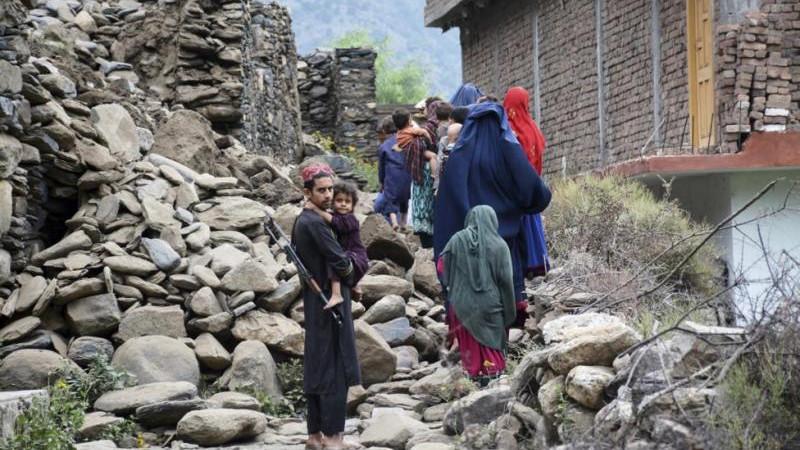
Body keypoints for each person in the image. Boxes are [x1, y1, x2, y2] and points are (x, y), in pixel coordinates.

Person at [434, 102, 551, 324]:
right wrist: (521, 206)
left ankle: (475, 340)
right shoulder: (509, 153)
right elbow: (535, 192)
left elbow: (446, 205)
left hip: (471, 242)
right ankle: (502, 343)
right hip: (505, 241)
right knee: (505, 293)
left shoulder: (459, 156)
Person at [292, 163, 360, 450]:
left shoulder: (301, 221)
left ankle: (314, 435)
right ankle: (333, 438)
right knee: (335, 368)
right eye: (322, 191)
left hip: (314, 302)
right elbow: (342, 264)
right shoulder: (317, 223)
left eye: (331, 189)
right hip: (331, 306)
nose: (329, 195)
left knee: (318, 366)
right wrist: (353, 272)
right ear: (307, 192)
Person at [439, 205, 516, 386]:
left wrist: (455, 283)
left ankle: (473, 377)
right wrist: (509, 313)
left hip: (461, 305)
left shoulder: (456, 239)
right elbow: (506, 282)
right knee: (492, 345)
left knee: (470, 346)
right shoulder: (499, 245)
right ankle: (493, 377)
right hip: (489, 306)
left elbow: (442, 266)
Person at [503, 86, 550, 277]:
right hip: (533, 185)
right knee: (532, 222)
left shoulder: (507, 129)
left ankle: (519, 267)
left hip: (514, 188)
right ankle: (536, 263)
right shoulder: (533, 129)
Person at [305, 181, 369, 308]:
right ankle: (355, 286)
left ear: (353, 205)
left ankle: (336, 294)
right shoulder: (334, 215)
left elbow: (336, 223)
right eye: (339, 200)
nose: (343, 204)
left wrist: (315, 209)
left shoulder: (350, 219)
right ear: (333, 202)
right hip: (352, 256)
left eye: (348, 201)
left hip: (357, 257)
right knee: (338, 256)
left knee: (335, 260)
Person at [394, 108, 436, 248]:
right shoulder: (413, 135)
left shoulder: (400, 135)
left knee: (422, 205)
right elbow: (423, 134)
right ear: (409, 120)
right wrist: (429, 140)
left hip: (418, 178)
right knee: (427, 205)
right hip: (424, 176)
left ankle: (426, 240)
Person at [376, 116, 411, 229]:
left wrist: (381, 181)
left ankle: (394, 222)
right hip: (407, 174)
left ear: (384, 131)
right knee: (405, 198)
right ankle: (404, 223)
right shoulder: (407, 141)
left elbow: (381, 167)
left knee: (391, 199)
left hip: (391, 175)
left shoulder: (384, 146)